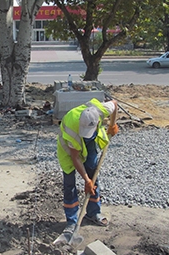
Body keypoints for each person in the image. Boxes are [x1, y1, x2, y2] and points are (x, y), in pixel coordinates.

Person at [57, 97, 119, 235]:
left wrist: (112, 125)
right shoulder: (72, 128)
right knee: (69, 183)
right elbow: (76, 158)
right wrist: (86, 180)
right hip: (68, 149)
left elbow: (114, 104)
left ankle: (93, 213)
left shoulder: (100, 110)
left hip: (89, 142)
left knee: (93, 172)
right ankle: (72, 222)